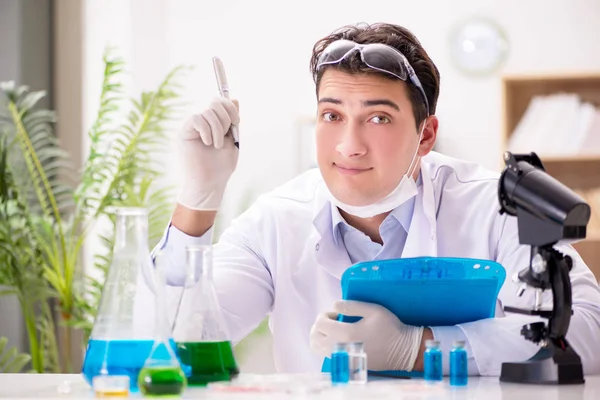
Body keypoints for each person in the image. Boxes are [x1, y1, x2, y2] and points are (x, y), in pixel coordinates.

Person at [155, 22, 600, 376]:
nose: (349, 144)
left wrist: (419, 348)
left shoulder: (495, 207)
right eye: (332, 115)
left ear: (425, 135)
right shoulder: (274, 221)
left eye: (379, 118)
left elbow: (588, 332)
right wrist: (199, 196)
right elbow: (173, 339)